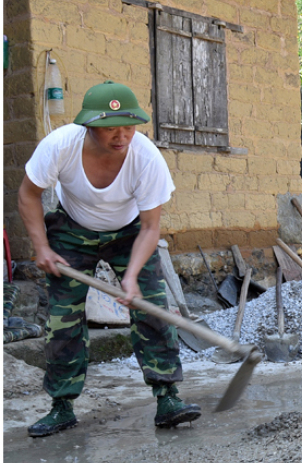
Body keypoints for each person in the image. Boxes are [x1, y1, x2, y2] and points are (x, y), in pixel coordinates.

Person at [18, 80, 201, 437]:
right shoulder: (59, 146)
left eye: (129, 127)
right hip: (71, 231)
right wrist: (41, 247)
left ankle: (168, 398)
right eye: (110, 128)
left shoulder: (146, 157)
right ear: (88, 126)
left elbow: (150, 228)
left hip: (130, 233)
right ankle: (62, 406)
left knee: (150, 307)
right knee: (63, 319)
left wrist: (131, 277)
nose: (122, 136)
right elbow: (28, 195)